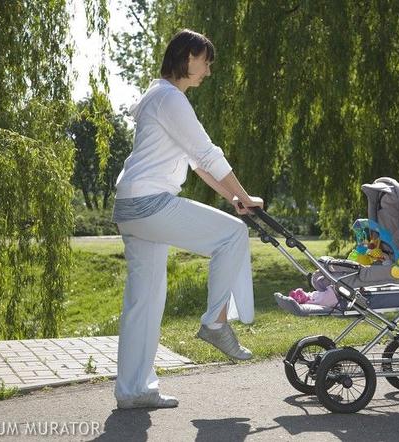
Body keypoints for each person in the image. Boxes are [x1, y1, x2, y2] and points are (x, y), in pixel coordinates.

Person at [111, 29, 263, 410]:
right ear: (187, 55)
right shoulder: (170, 98)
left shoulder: (156, 97)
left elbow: (198, 164)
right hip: (149, 204)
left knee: (144, 301)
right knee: (232, 235)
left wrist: (233, 197)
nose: (208, 71)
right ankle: (215, 323)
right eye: (205, 61)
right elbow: (208, 155)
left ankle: (134, 390)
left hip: (130, 206)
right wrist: (244, 199)